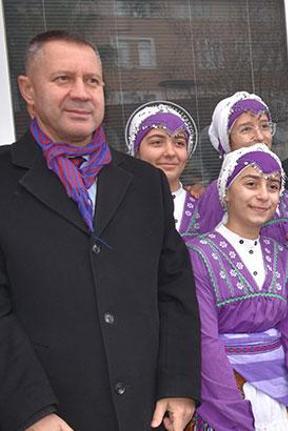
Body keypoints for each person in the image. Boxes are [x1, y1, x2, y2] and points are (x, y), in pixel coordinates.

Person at [0, 30, 199, 430]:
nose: (81, 93)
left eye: (92, 81)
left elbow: (173, 286)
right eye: (63, 79)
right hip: (49, 414)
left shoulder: (144, 182)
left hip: (146, 413)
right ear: (28, 89)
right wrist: (31, 409)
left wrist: (178, 382)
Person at [186, 145, 288, 430]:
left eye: (273, 186)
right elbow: (204, 340)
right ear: (226, 191)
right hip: (227, 398)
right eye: (251, 184)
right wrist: (233, 413)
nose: (263, 195)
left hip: (284, 399)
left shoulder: (282, 255)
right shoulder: (196, 255)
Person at [194, 92, 288, 240]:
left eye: (264, 126)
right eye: (246, 129)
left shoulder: (278, 188)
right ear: (226, 139)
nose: (260, 137)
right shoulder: (219, 193)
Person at [125, 100, 200, 236]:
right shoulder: (120, 207)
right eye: (157, 142)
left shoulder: (204, 207)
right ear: (137, 151)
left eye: (179, 143)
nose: (170, 153)